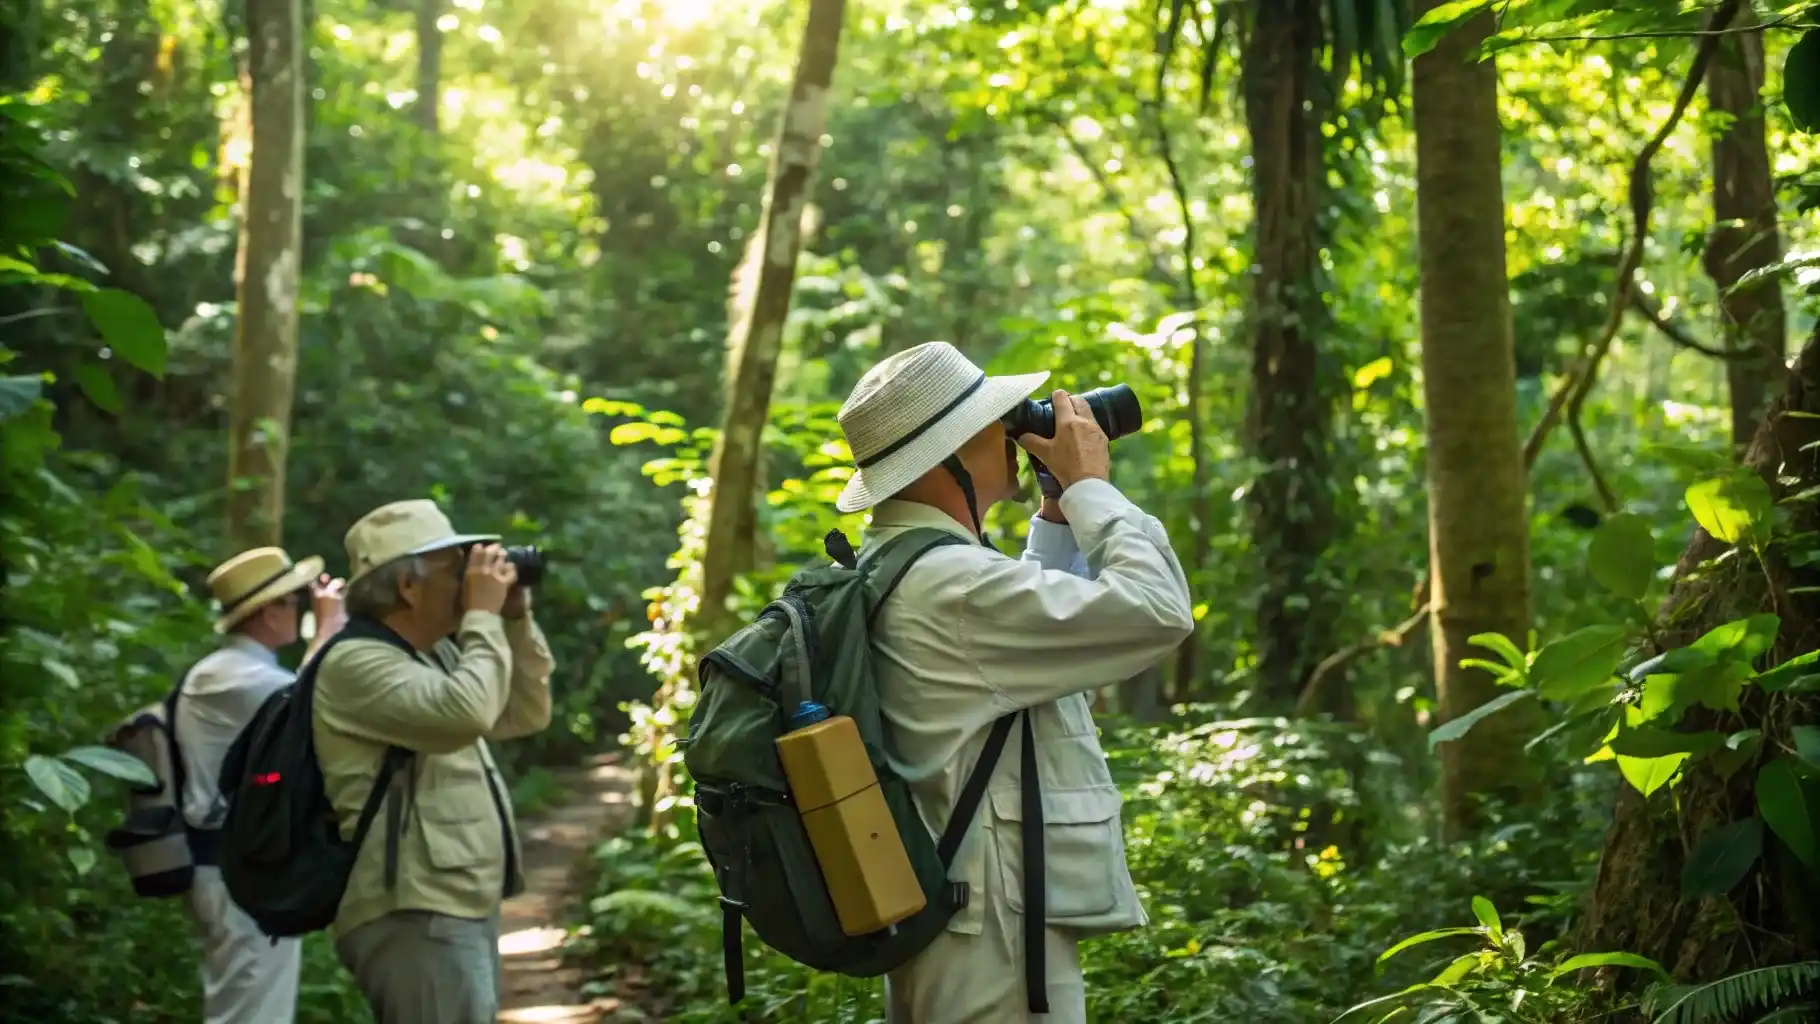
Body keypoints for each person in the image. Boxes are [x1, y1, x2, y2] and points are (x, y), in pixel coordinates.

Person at [834, 341, 1194, 1023]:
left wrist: (1057, 515)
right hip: (992, 938)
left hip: (954, 917)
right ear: (948, 453)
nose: (1013, 431)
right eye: (996, 420)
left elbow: (1011, 645)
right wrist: (1090, 488)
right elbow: (1158, 610)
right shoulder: (952, 583)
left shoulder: (900, 562)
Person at [313, 498, 554, 1024]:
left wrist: (513, 618)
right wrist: (482, 615)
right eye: (455, 570)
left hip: (451, 901)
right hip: (412, 909)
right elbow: (467, 713)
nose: (471, 581)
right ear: (408, 585)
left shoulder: (433, 653)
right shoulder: (355, 661)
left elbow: (522, 711)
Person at [178, 545, 347, 1024]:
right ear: (267, 613)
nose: (299, 609)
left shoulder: (238, 671)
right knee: (251, 1011)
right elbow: (308, 707)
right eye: (292, 601)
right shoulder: (231, 676)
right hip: (235, 870)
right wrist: (329, 628)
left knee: (251, 1006)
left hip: (239, 865)